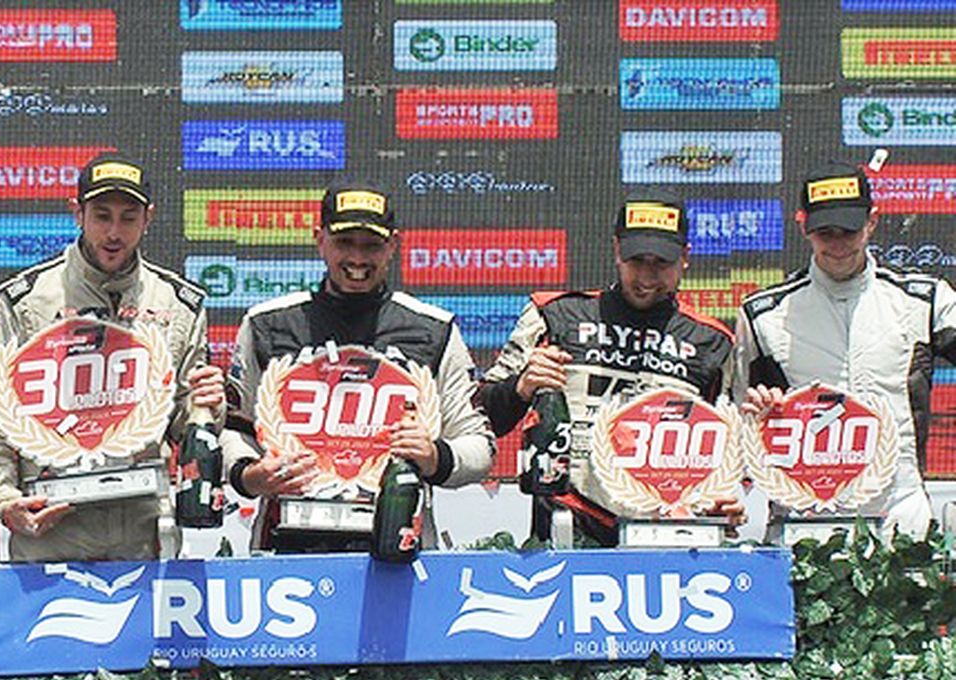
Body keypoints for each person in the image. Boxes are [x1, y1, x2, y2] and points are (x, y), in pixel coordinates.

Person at [0, 154, 223, 562]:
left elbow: (186, 428)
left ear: (149, 218)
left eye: (128, 217)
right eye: (101, 215)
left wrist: (208, 403)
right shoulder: (25, 301)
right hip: (51, 529)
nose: (113, 232)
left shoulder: (179, 304)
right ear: (78, 213)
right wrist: (2, 501)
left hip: (144, 530)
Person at [222, 181, 494, 552]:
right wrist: (250, 476)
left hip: (397, 547)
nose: (357, 259)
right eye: (344, 243)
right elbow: (231, 430)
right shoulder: (266, 324)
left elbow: (480, 446)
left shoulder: (433, 329)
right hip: (285, 545)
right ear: (319, 239)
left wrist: (434, 457)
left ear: (394, 245)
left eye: (372, 245)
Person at [479, 188, 737, 546]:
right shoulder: (555, 315)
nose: (647, 276)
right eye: (637, 261)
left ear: (685, 257)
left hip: (669, 534)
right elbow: (481, 418)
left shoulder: (713, 341)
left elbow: (725, 453)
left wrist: (721, 503)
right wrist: (520, 387)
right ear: (617, 250)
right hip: (568, 524)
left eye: (660, 263)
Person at [735, 161, 956, 538]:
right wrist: (757, 414)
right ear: (802, 224)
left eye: (848, 230)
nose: (838, 244)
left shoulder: (925, 299)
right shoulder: (762, 315)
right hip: (801, 514)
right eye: (825, 232)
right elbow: (737, 418)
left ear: (872, 220)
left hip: (900, 509)